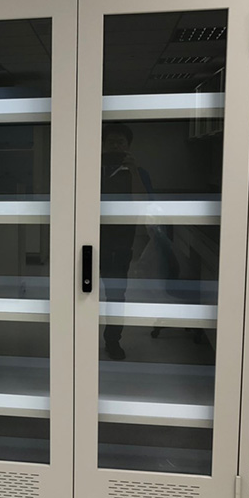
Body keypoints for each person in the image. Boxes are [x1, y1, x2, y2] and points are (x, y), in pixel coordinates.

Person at [99, 124, 151, 360]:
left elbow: (142, 204)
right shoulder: (90, 167)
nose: (116, 146)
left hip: (119, 242)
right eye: (111, 142)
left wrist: (133, 171)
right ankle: (76, 340)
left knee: (115, 294)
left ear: (128, 146)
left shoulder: (138, 172)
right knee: (77, 291)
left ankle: (112, 341)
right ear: (103, 145)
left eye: (121, 142)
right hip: (84, 238)